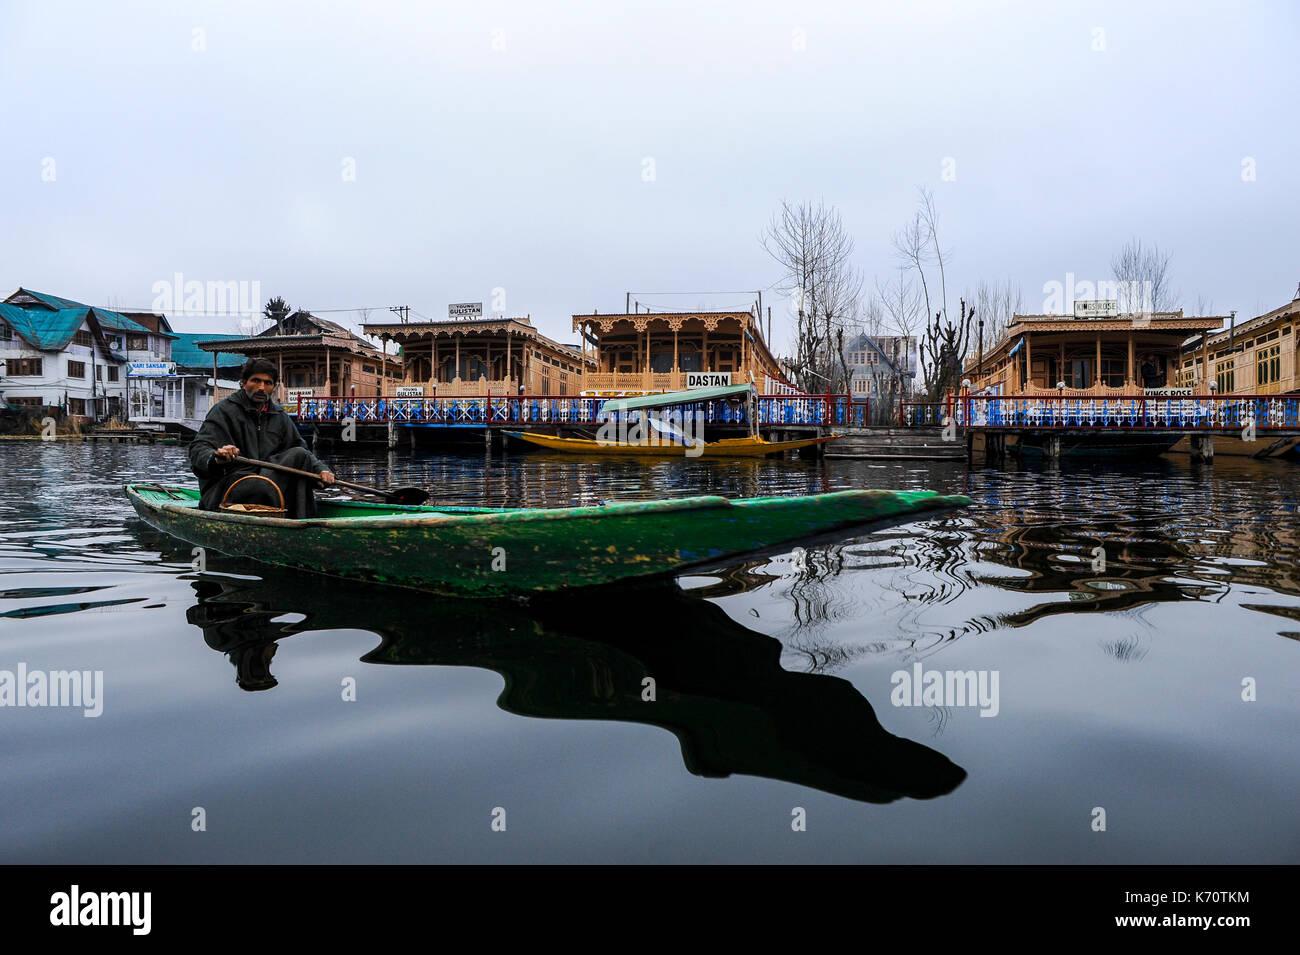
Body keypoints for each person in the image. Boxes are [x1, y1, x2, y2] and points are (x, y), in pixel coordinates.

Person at [190, 358, 335, 516]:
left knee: (299, 455)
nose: (261, 388)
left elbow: (301, 450)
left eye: (267, 383)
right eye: (256, 381)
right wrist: (216, 457)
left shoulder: (279, 416)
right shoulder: (223, 411)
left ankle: (301, 521)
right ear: (244, 383)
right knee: (257, 484)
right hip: (225, 491)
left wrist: (321, 471)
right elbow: (199, 449)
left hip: (268, 484)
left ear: (273, 387)